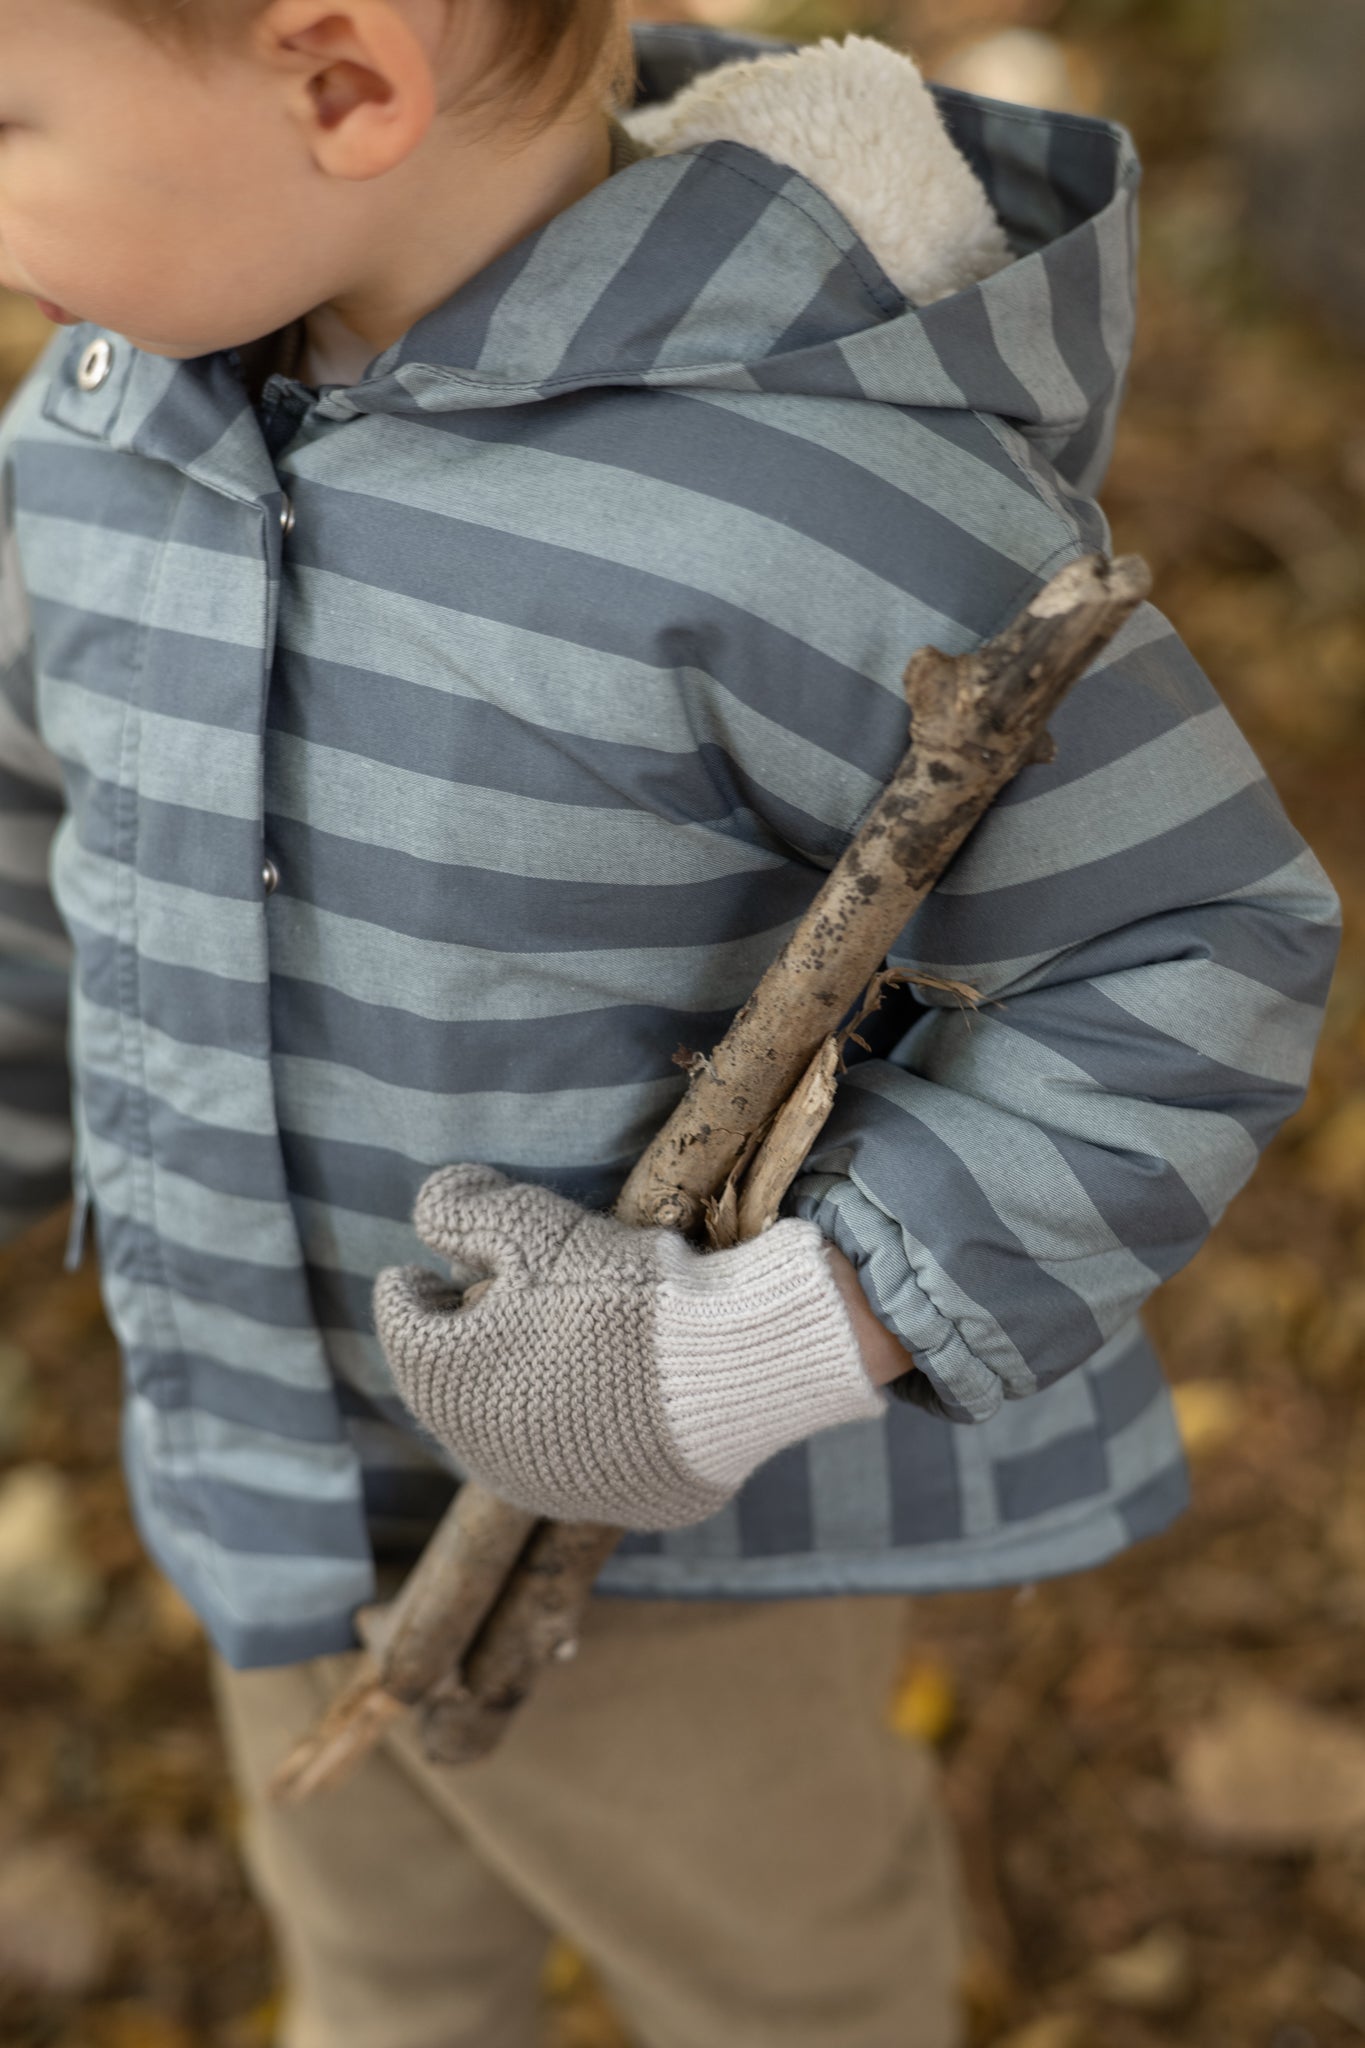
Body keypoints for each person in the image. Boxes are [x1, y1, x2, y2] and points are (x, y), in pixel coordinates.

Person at [0, 2, 1339, 2044]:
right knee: (373, 1946)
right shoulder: (103, 433)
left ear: (341, 81)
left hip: (672, 1562)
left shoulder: (810, 506)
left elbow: (1189, 958)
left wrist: (740, 1353)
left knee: (778, 1977)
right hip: (253, 1454)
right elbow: (38, 818)